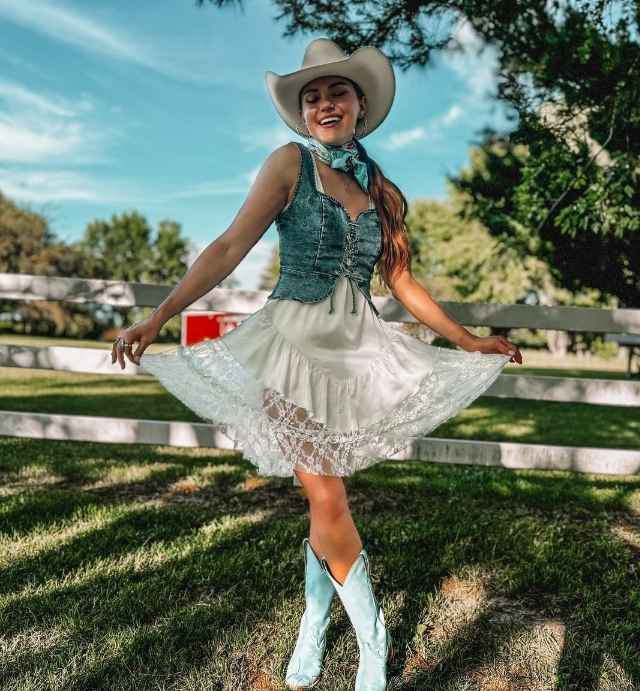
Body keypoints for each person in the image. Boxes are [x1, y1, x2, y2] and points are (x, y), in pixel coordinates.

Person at [111, 37, 522, 691]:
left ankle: (312, 614)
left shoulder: (381, 190)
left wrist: (468, 339)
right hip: (290, 350)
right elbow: (225, 248)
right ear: (303, 114)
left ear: (360, 103)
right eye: (312, 96)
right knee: (326, 493)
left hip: (358, 358)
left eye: (337, 91)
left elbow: (403, 283)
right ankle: (374, 644)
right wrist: (158, 316)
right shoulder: (288, 165)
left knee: (323, 501)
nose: (325, 102)